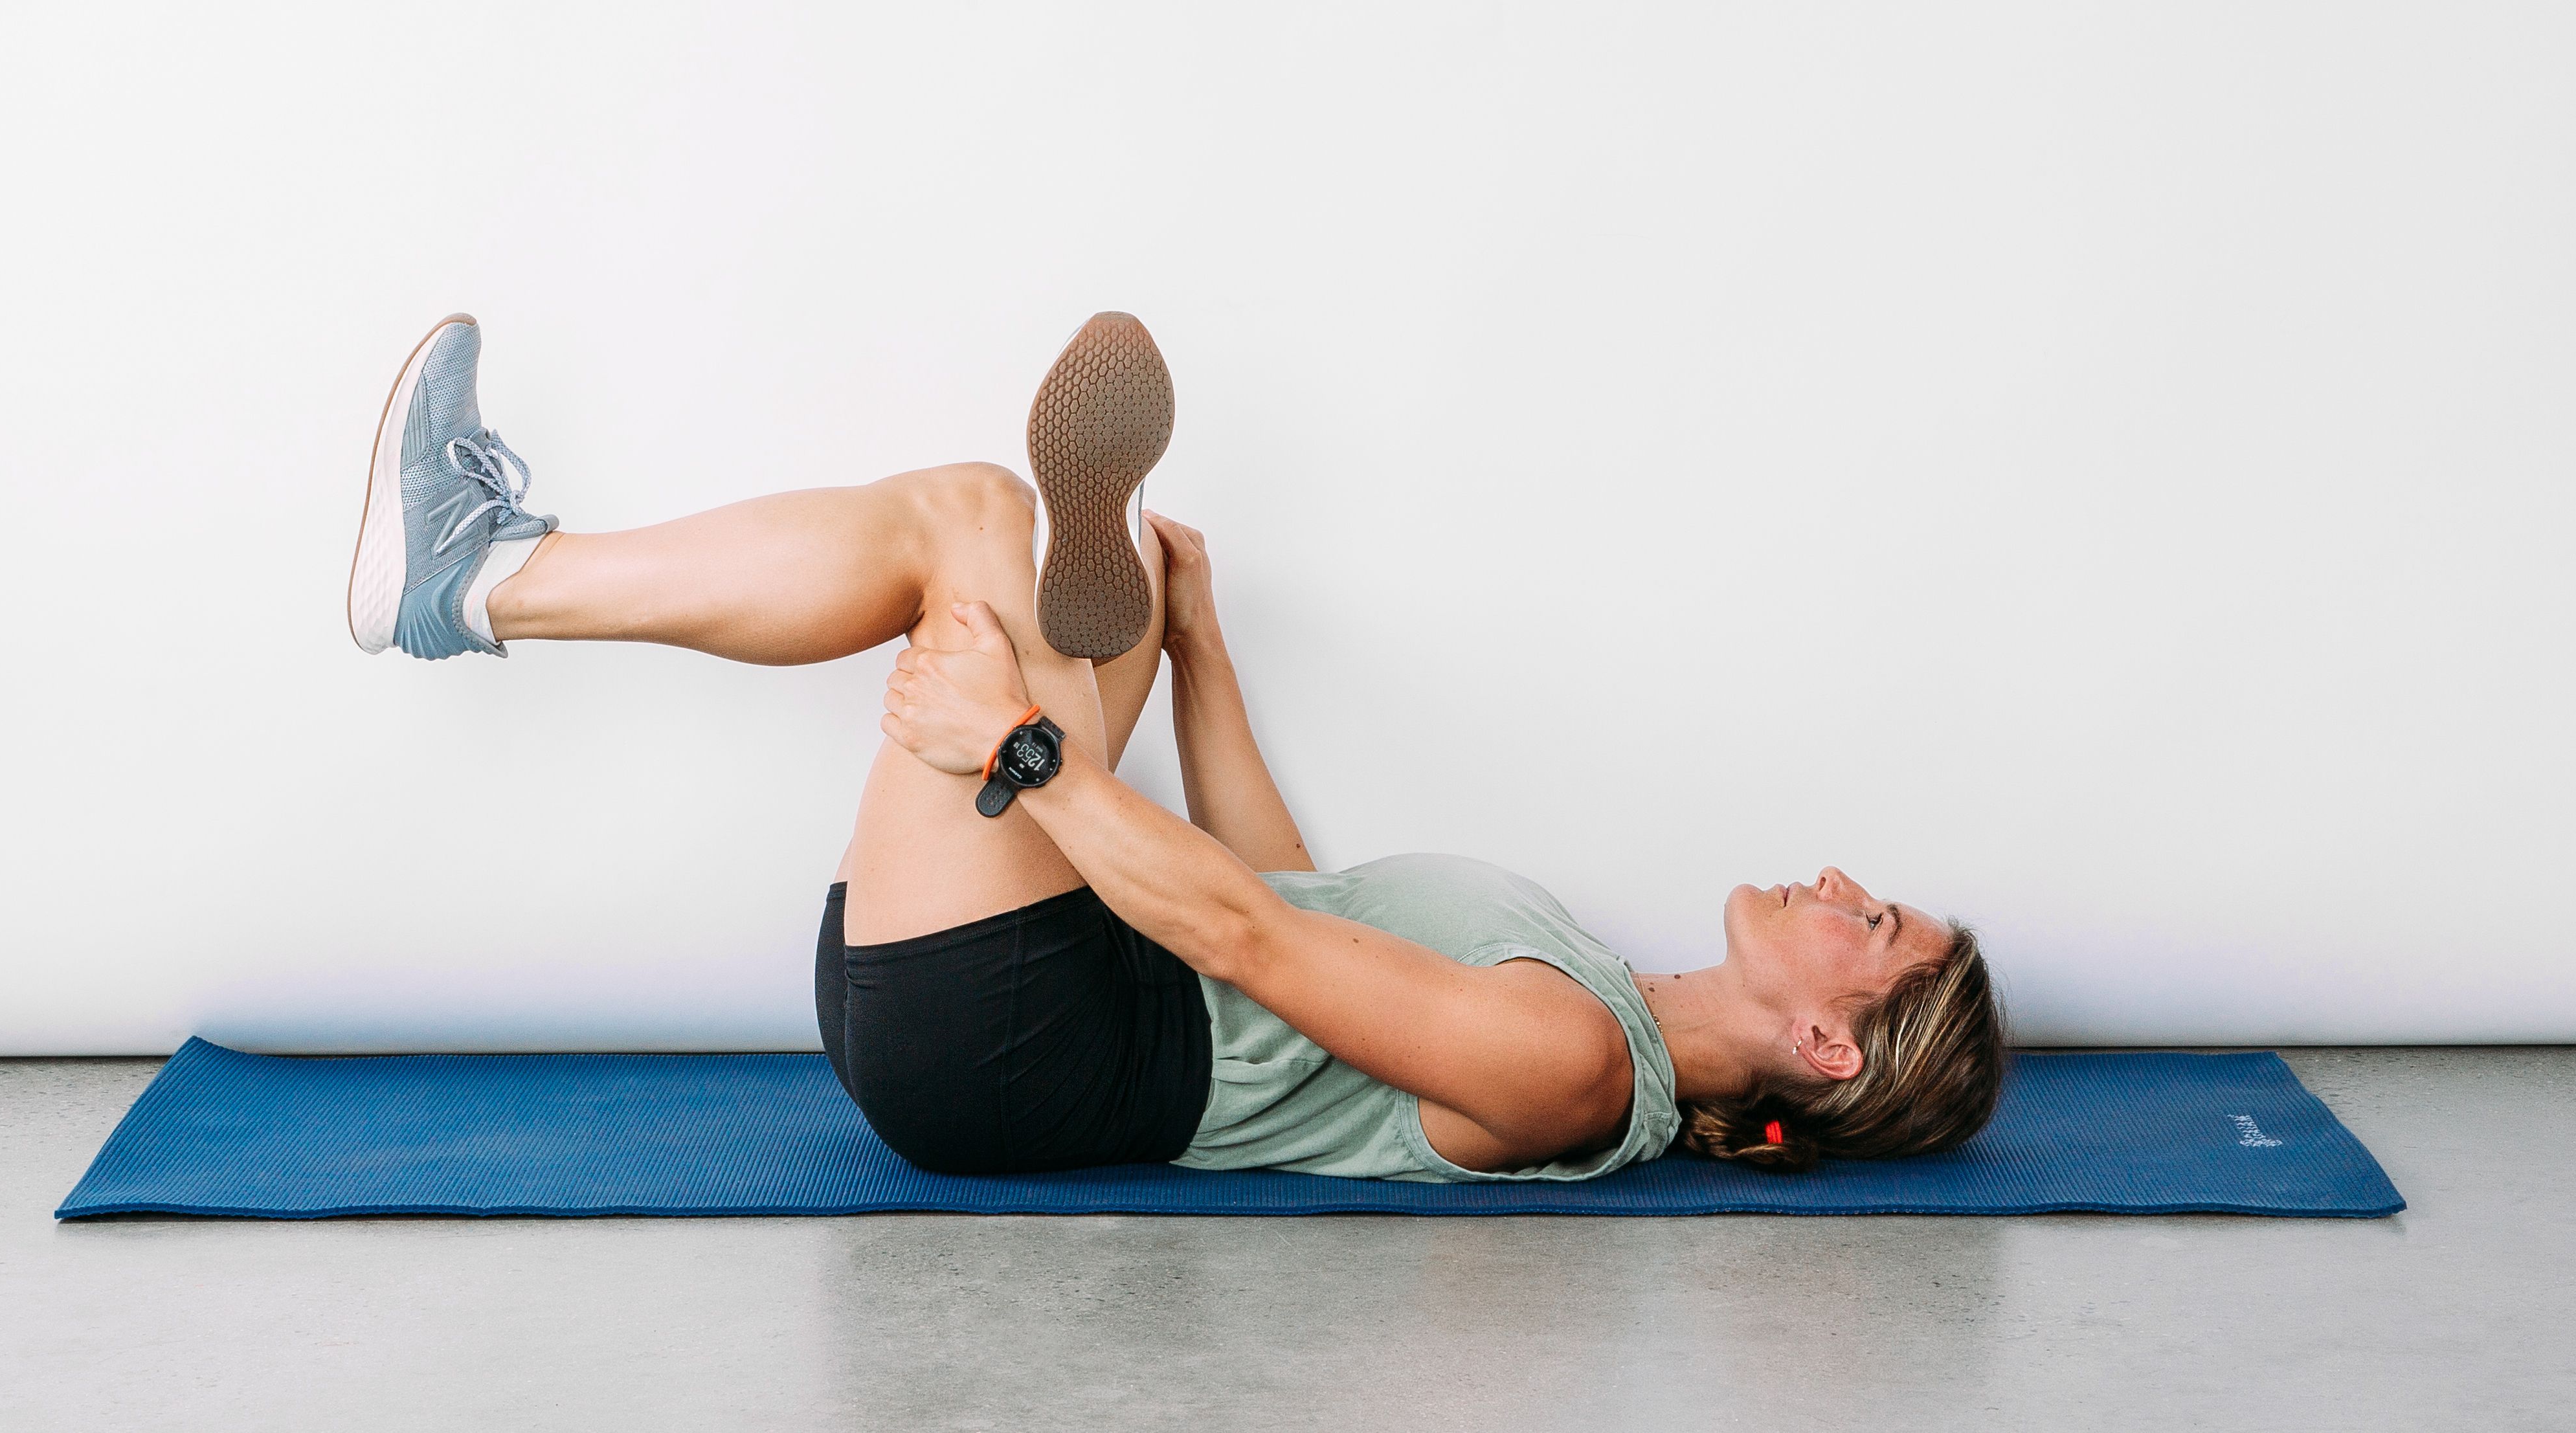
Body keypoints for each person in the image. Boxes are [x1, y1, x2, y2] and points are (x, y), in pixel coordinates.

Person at [346, 311, 2006, 1181]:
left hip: (1019, 1045)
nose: (1843, 886)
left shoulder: (1575, 1071)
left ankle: (480, 581)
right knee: (1110, 583)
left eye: (1870, 926)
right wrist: (1194, 647)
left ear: (1828, 1046)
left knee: (971, 517)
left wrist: (1022, 751)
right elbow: (1301, 890)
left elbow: (1241, 932)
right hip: (1030, 987)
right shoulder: (1595, 993)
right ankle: (1105, 593)